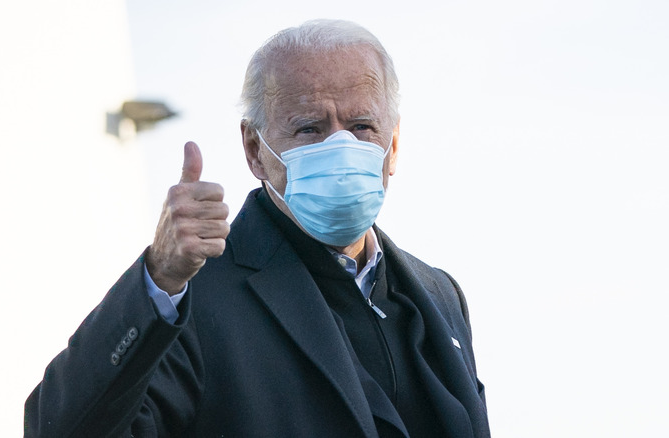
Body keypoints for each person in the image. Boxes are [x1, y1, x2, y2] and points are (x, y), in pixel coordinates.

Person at [25, 19, 490, 438]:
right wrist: (159, 278)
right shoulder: (193, 298)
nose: (340, 147)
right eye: (309, 128)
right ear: (254, 149)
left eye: (363, 126)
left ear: (393, 143)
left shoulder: (439, 294)